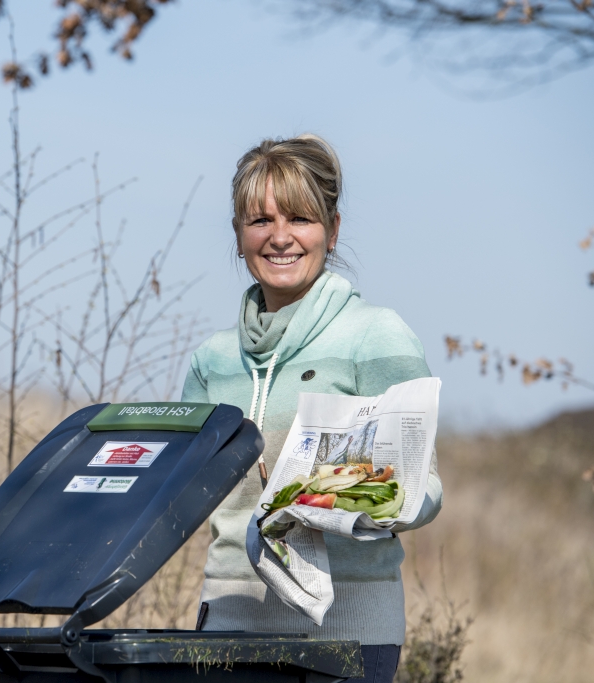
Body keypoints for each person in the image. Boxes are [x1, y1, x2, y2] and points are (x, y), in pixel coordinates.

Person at [181, 135, 442, 683]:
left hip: (348, 632)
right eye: (260, 220)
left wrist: (329, 490)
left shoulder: (375, 335)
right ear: (237, 236)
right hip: (226, 624)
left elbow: (425, 492)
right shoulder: (211, 359)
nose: (280, 237)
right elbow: (182, 495)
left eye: (300, 218)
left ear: (333, 229)